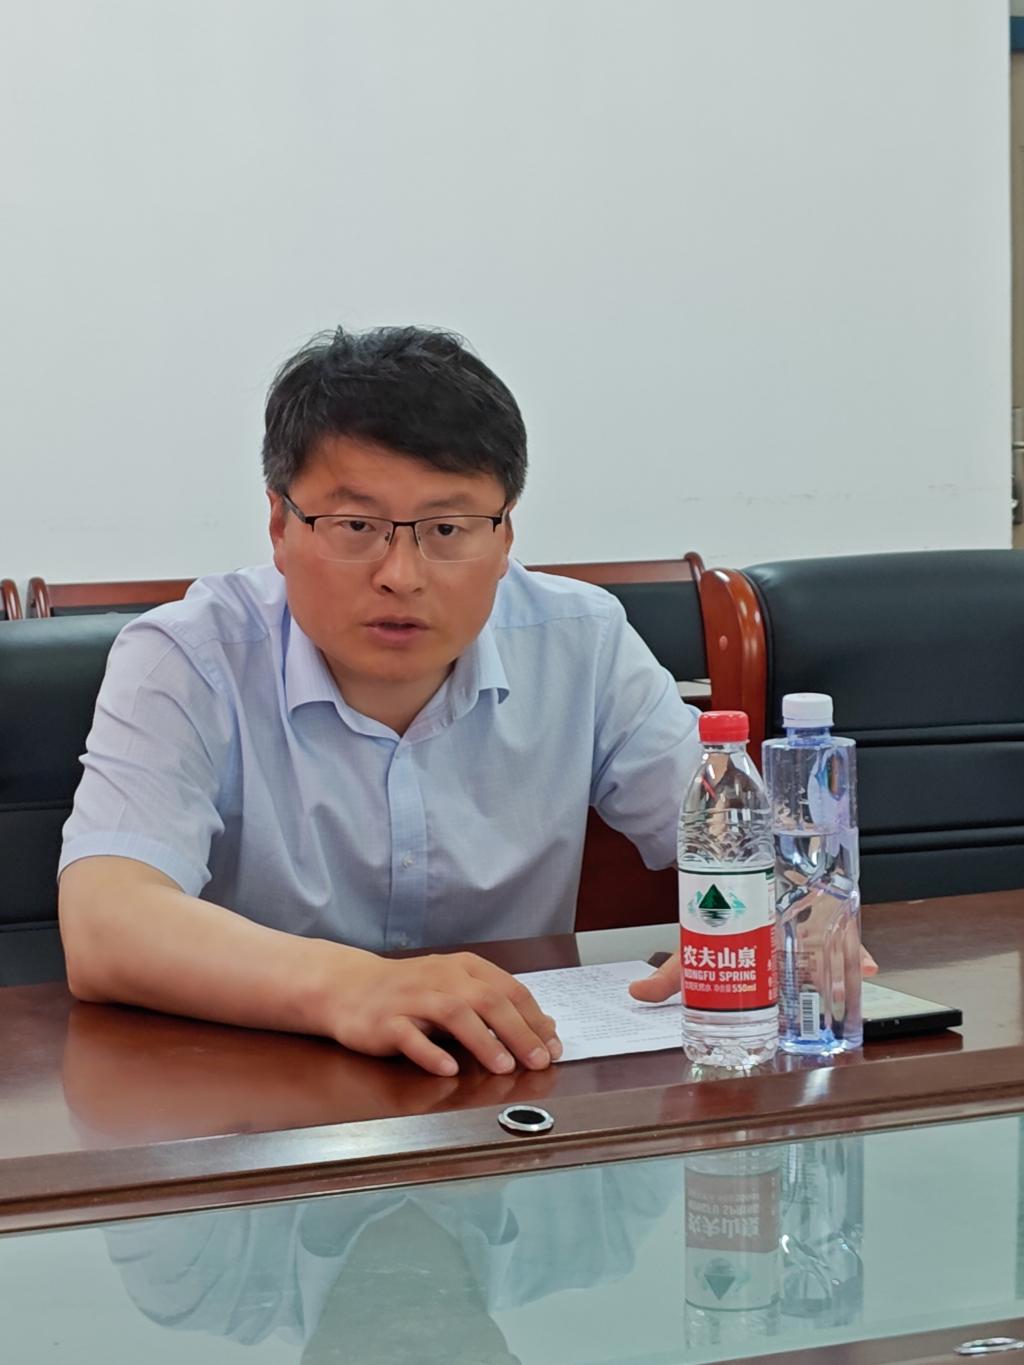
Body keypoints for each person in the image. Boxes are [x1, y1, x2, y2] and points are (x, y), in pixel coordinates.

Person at [58, 324, 703, 1077]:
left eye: (447, 528)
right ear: (279, 524)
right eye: (356, 526)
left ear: (505, 537)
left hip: (506, 1088)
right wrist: (352, 986)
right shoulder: (189, 657)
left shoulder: (581, 641)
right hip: (259, 1089)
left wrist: (793, 917)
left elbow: (745, 840)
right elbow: (106, 923)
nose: (401, 573)